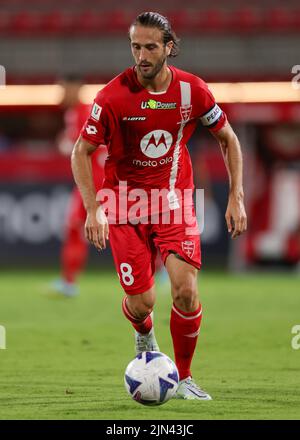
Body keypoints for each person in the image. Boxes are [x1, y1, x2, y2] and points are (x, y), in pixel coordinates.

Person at [71, 12, 247, 399]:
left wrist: (236, 196)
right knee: (142, 303)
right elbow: (80, 152)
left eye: (150, 47)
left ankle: (183, 377)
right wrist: (92, 208)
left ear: (169, 47)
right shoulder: (112, 96)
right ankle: (143, 333)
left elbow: (228, 139)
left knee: (185, 291)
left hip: (174, 201)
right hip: (124, 204)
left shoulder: (192, 91)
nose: (142, 55)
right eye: (135, 47)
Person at [50, 75, 107, 296]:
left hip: (94, 182)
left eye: (64, 89)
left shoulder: (84, 112)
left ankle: (69, 283)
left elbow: (79, 146)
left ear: (76, 88)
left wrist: (66, 142)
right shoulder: (76, 112)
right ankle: (68, 281)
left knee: (76, 228)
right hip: (94, 180)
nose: (62, 94)